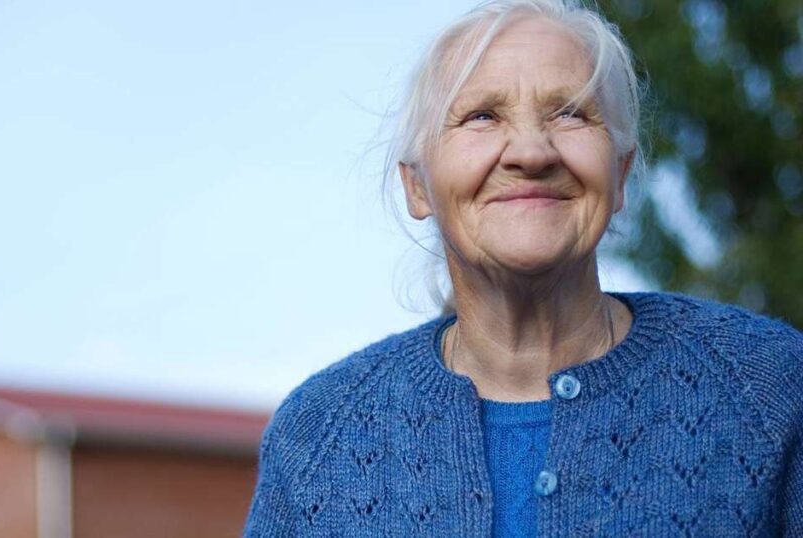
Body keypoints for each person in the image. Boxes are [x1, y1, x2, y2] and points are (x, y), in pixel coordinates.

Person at [242, 0, 803, 536]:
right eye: (482, 116)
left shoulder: (769, 387)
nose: (532, 153)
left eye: (570, 113)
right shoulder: (317, 437)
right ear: (417, 184)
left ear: (621, 172)